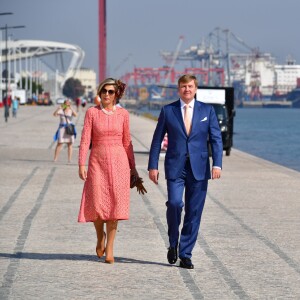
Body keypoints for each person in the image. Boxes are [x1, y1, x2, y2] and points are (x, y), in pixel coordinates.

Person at [148, 74, 223, 269]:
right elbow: (157, 140)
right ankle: (173, 242)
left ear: (196, 89)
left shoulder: (207, 111)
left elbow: (216, 139)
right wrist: (153, 166)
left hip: (199, 168)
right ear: (178, 89)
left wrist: (217, 164)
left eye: (190, 86)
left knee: (194, 212)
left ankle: (185, 253)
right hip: (175, 167)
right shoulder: (168, 110)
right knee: (174, 203)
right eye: (183, 86)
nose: (187, 89)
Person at [77, 78, 144, 264]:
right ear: (100, 93)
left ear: (117, 95)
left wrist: (133, 168)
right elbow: (84, 140)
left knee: (114, 207)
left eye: (111, 92)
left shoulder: (123, 114)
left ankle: (111, 249)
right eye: (104, 91)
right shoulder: (91, 113)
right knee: (97, 204)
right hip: (97, 163)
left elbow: (127, 142)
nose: (107, 94)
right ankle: (100, 237)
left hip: (119, 163)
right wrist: (81, 163)